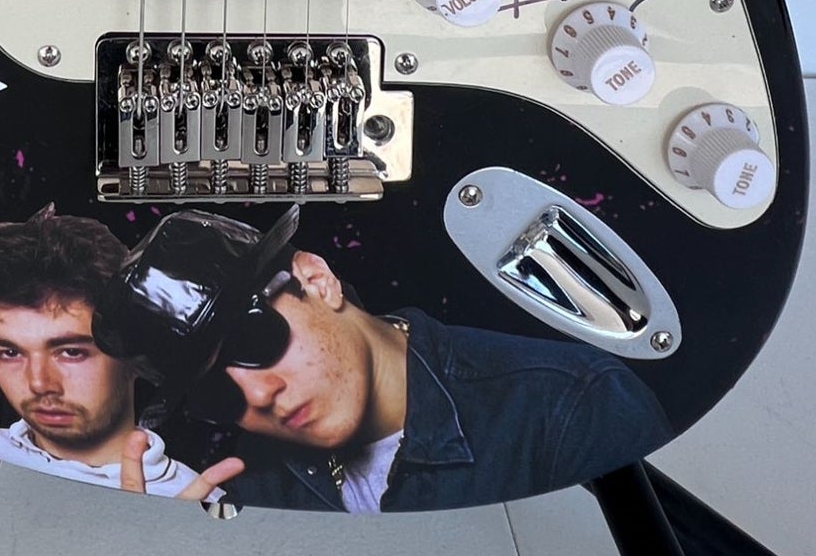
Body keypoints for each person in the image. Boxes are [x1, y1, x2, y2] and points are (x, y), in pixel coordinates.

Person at [98, 207, 671, 513]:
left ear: (316, 281)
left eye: (253, 340)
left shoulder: (566, 408)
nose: (257, 395)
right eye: (215, 396)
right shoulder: (252, 497)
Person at [0, 211, 239, 501]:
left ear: (134, 353)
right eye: (9, 352)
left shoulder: (197, 503)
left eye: (71, 352)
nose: (39, 383)